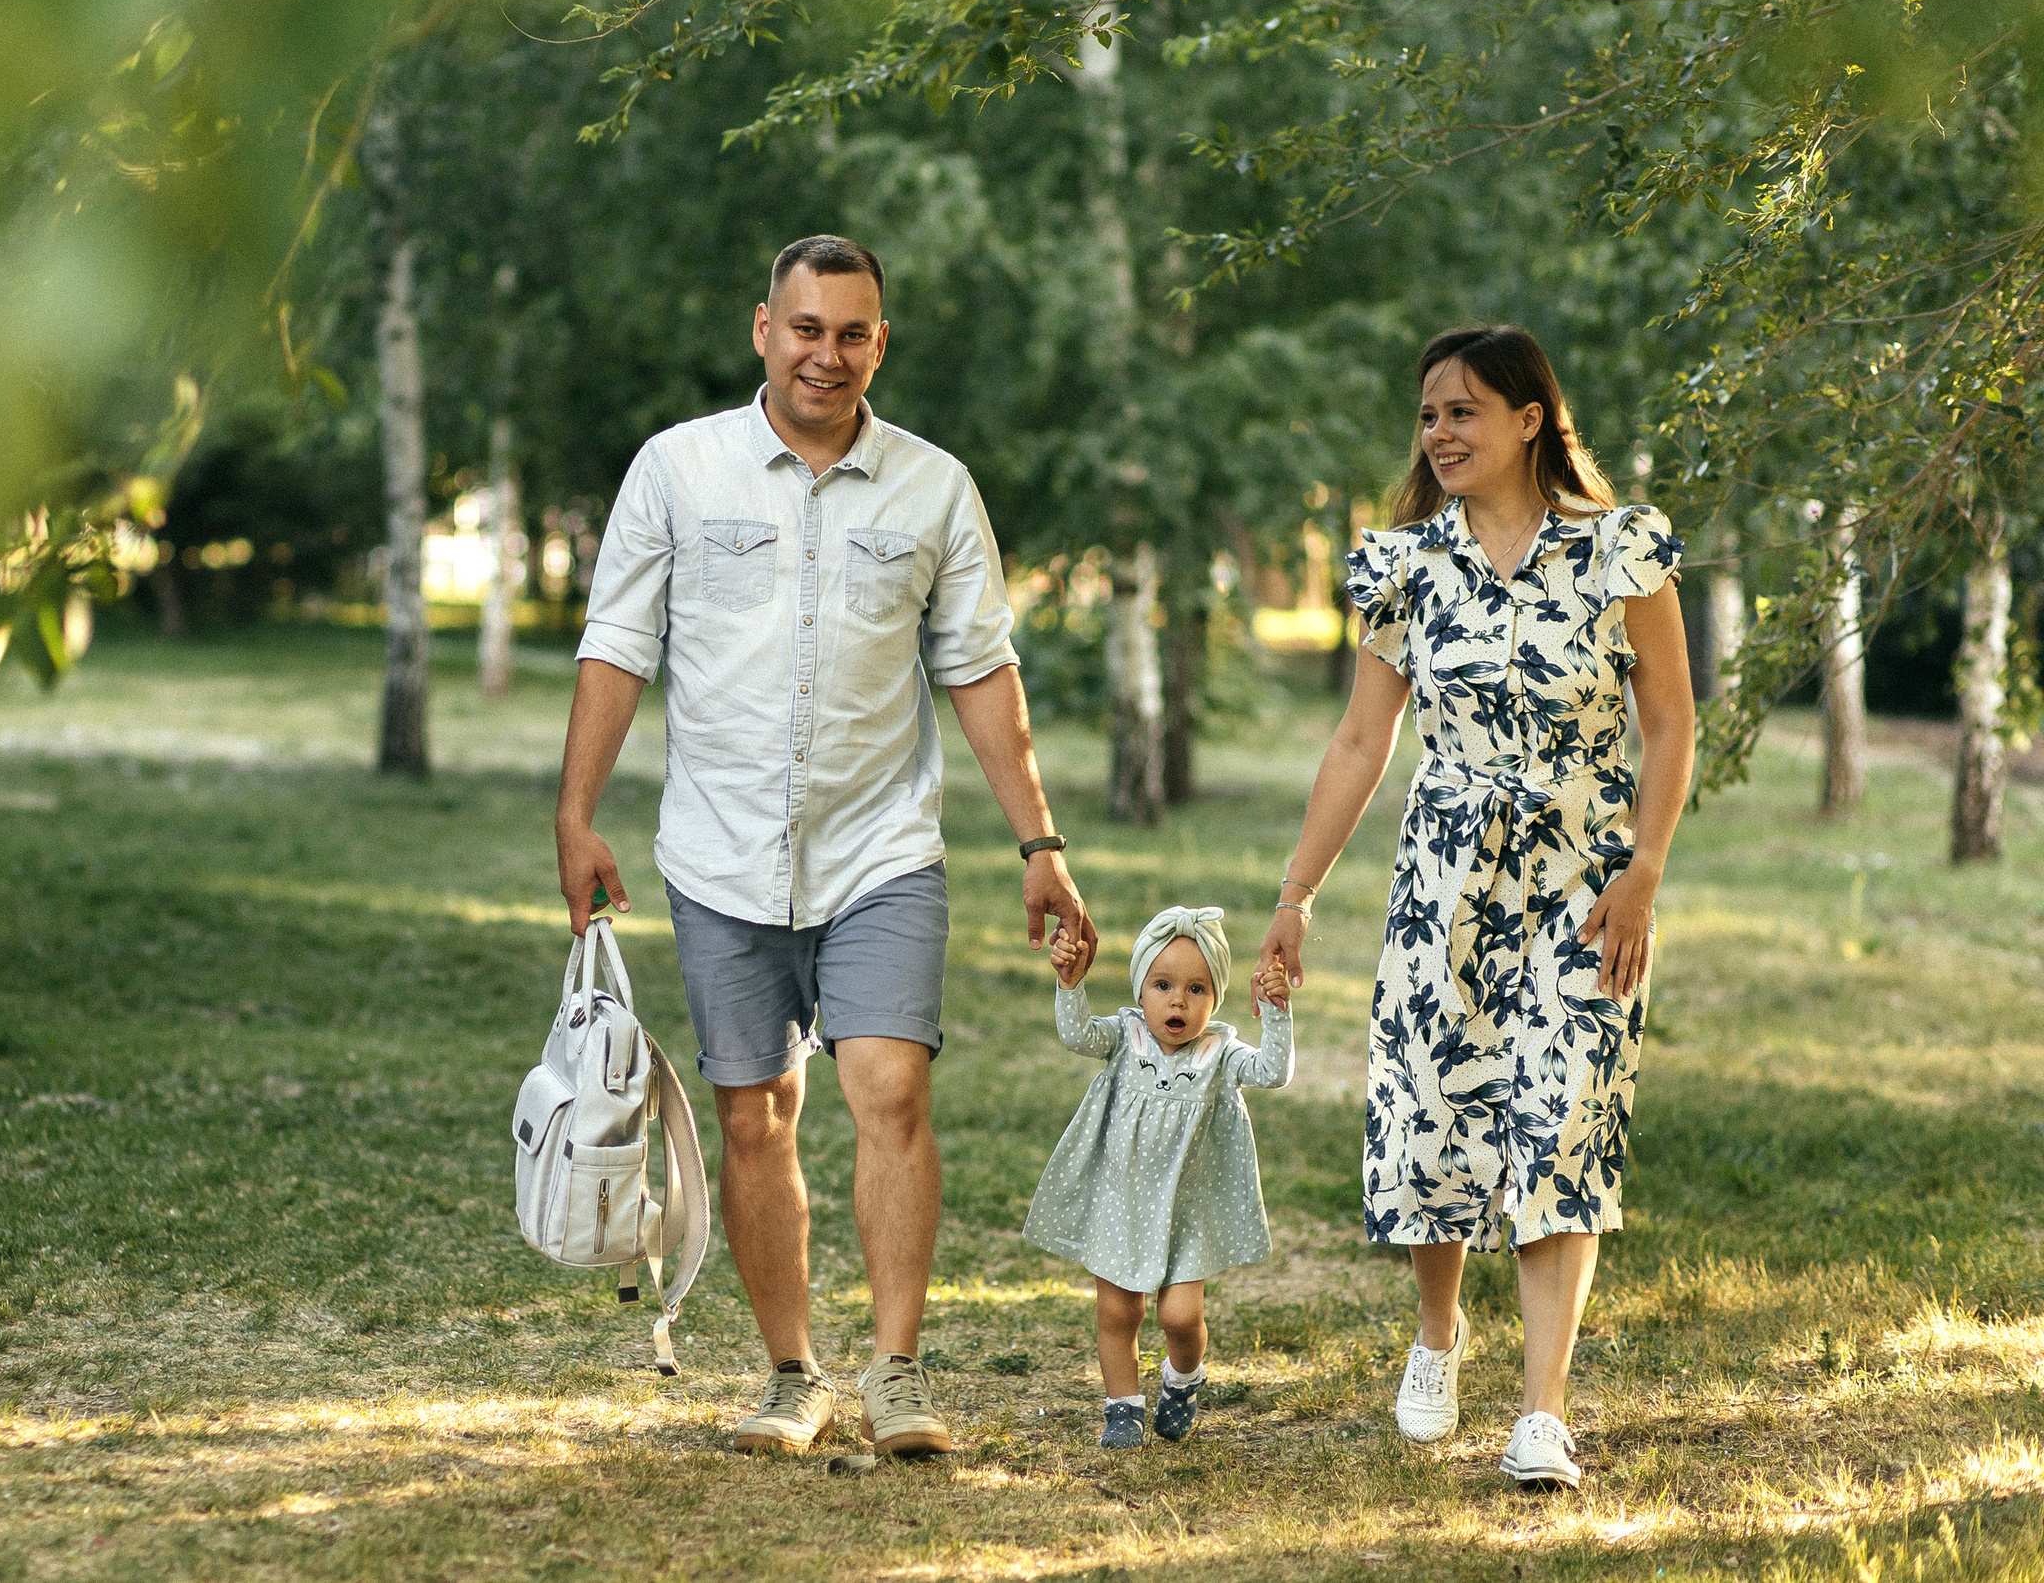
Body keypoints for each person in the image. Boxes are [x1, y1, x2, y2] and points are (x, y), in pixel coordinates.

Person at [554, 234, 1098, 1458]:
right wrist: (574, 815)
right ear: (764, 330)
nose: (826, 355)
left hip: (879, 852)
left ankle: (896, 1372)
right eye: (805, 329)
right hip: (719, 853)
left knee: (890, 1091)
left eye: (852, 334)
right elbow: (616, 646)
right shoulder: (676, 469)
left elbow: (981, 671)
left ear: (879, 345)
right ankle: (792, 1375)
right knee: (754, 1115)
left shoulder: (933, 488)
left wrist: (1040, 843)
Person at [1253, 325, 1695, 1491]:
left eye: (1462, 412)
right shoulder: (1403, 566)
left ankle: (1542, 1412)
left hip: (1587, 882)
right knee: (1434, 1114)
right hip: (1445, 875)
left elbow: (1668, 723)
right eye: (1428, 415)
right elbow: (1361, 741)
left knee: (1564, 1120)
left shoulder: (1622, 550)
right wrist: (1296, 896)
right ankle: (1437, 1331)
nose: (1438, 434)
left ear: (1528, 417)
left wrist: (1644, 868)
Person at [1025, 907, 1294, 1449]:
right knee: (1117, 1311)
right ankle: (1123, 1407)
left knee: (1181, 1316)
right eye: (1163, 985)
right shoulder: (1125, 1037)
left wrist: (1277, 1011)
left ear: (1215, 997)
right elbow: (1076, 1035)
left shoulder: (1220, 1054)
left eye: (1197, 989)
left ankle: (1183, 1377)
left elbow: (1273, 1073)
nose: (1178, 1002)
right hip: (1120, 1201)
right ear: (1140, 988)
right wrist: (1069, 984)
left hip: (1187, 1209)